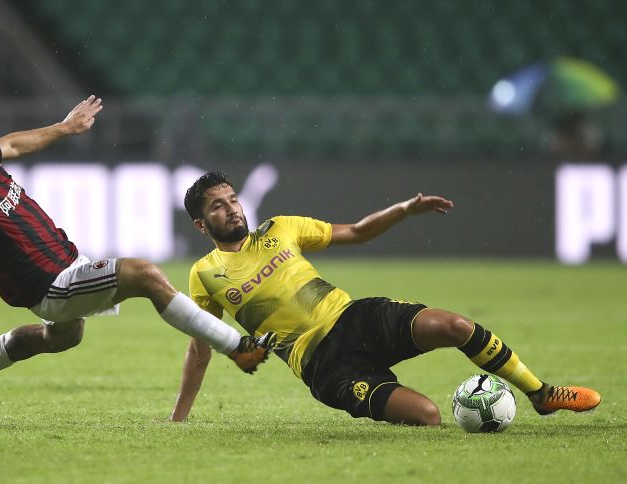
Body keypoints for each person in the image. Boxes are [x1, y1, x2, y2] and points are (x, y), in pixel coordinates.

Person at [0, 93, 274, 414]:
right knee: (145, 274)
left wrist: (65, 127)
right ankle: (238, 347)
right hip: (52, 283)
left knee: (62, 336)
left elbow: (13, 143)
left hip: (63, 266)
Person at [169, 171, 601, 425]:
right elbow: (199, 349)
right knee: (428, 415)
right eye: (218, 207)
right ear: (201, 225)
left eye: (232, 199)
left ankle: (541, 394)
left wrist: (403, 210)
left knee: (456, 326)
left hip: (356, 317)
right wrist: (180, 419)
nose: (232, 209)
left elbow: (357, 232)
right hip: (325, 365)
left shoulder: (280, 228)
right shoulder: (204, 275)